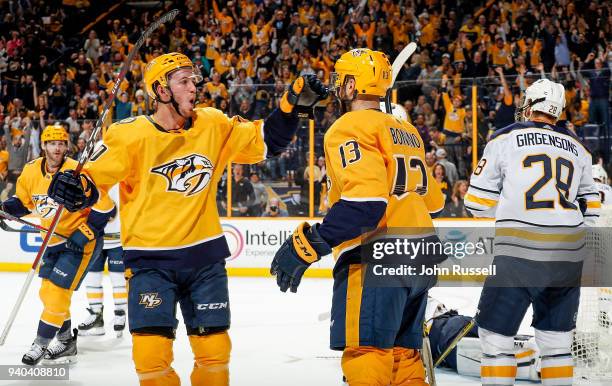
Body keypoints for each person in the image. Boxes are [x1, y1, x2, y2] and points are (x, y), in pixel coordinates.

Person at [47, 52, 327, 386]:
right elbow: (93, 181)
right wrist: (73, 187)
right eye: (184, 81)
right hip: (149, 263)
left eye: (194, 79)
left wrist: (289, 106)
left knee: (214, 355)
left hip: (204, 260)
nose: (194, 86)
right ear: (161, 91)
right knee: (151, 360)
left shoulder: (213, 124)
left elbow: (267, 142)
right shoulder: (128, 135)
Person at [270, 48, 445, 385]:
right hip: (421, 255)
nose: (336, 88)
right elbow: (433, 202)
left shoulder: (347, 127)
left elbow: (366, 204)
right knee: (403, 359)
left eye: (340, 81)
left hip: (377, 256)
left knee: (368, 354)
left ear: (352, 86)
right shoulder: (408, 133)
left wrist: (308, 245)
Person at [465, 78, 601, 386]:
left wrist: (511, 213)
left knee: (495, 339)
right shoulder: (578, 147)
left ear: (531, 105)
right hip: (568, 254)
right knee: (557, 344)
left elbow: (475, 202)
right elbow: (591, 204)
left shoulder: (505, 138)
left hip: (519, 253)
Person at [0, 125, 115, 365]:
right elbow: (24, 203)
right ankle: (65, 341)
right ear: (43, 145)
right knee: (46, 293)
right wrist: (4, 209)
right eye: (52, 143)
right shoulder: (32, 171)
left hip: (78, 244)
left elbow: (106, 207)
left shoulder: (79, 170)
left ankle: (40, 343)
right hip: (51, 242)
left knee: (57, 293)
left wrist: (84, 232)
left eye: (62, 143)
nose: (57, 148)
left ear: (67, 145)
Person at [77, 178, 126, 337]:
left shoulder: (122, 177)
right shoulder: (89, 178)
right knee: (92, 278)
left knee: (118, 278)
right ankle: (96, 316)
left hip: (119, 239)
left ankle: (120, 314)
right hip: (95, 238)